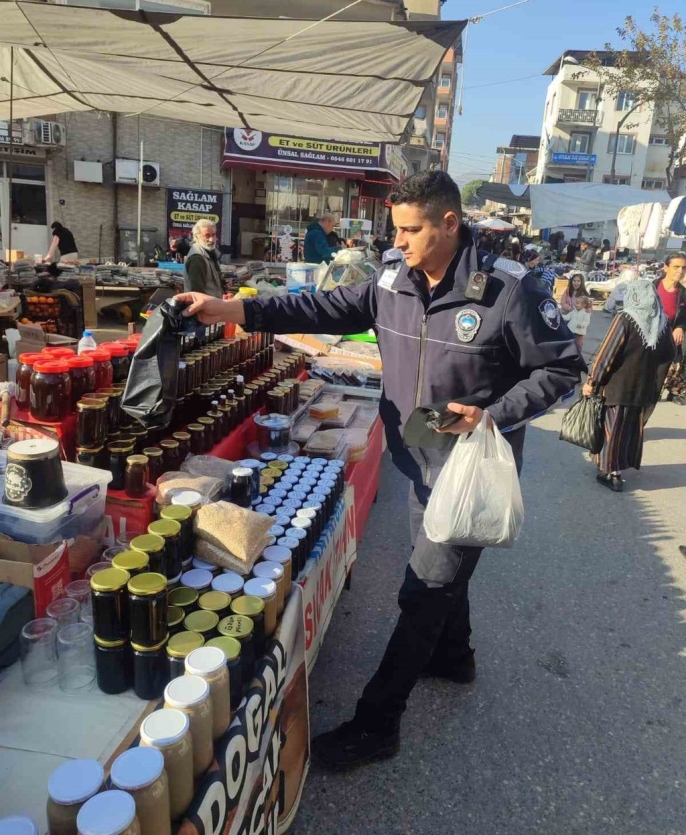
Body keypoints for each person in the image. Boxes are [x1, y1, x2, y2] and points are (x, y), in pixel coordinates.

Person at [175, 170, 583, 769]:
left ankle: (378, 724)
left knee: (425, 588)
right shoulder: (392, 277)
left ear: (450, 222)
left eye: (411, 230)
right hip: (415, 457)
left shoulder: (507, 289)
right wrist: (230, 307)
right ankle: (455, 657)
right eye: (396, 229)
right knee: (441, 569)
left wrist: (492, 414)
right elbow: (319, 306)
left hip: (467, 469)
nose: (399, 241)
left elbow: (563, 369)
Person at [583, 280, 675, 491]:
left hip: (617, 385)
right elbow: (669, 353)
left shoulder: (625, 318)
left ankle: (612, 474)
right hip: (643, 388)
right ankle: (619, 467)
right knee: (629, 430)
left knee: (612, 429)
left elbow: (606, 354)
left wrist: (592, 381)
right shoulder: (661, 322)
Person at [654, 253, 686, 402]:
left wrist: (680, 327)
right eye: (676, 267)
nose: (680, 271)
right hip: (647, 340)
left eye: (683, 268)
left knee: (656, 384)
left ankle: (673, 390)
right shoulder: (652, 287)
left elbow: (684, 315)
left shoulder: (683, 293)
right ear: (666, 268)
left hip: (668, 341)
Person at [183, 219, 224, 298]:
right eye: (207, 236)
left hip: (213, 302)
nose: (212, 240)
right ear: (197, 237)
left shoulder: (209, 252)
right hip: (204, 304)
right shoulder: (197, 258)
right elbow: (197, 293)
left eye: (213, 235)